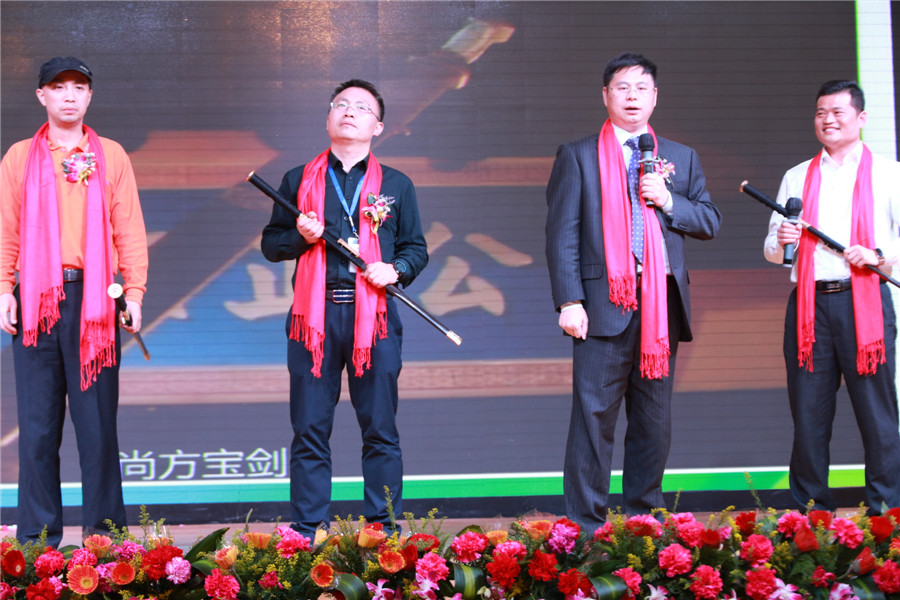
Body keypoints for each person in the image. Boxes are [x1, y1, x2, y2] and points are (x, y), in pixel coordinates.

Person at [545, 52, 721, 530]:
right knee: (592, 420)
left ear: (655, 97)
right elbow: (562, 234)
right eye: (622, 88)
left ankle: (645, 522)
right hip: (602, 305)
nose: (632, 97)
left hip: (661, 306)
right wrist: (569, 300)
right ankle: (586, 528)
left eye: (641, 88)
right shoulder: (578, 155)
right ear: (605, 95)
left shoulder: (680, 157)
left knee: (653, 420)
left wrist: (669, 200)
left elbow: (709, 220)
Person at [261, 79, 428, 539]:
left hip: (374, 317)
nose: (349, 112)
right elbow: (272, 245)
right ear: (328, 117)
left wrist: (395, 270)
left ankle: (383, 530)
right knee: (309, 429)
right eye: (341, 104)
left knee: (380, 429)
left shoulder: (396, 184)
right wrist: (301, 238)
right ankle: (307, 530)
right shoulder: (298, 178)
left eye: (361, 107)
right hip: (314, 319)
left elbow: (415, 249)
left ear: (379, 127)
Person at [0, 56, 148, 547]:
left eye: (78, 87)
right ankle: (36, 544)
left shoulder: (112, 155)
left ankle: (105, 539)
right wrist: (3, 289)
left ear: (89, 96)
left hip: (95, 301)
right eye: (58, 86)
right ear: (41, 96)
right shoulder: (20, 156)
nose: (69, 95)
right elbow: (6, 228)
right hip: (37, 298)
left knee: (97, 429)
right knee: (38, 430)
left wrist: (135, 292)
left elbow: (129, 229)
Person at [764, 80, 900, 514]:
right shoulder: (797, 175)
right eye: (821, 112)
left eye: (838, 112)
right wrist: (781, 240)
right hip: (810, 307)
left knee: (877, 416)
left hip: (865, 302)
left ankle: (886, 514)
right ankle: (811, 518)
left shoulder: (889, 173)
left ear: (861, 118)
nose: (828, 120)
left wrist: (878, 255)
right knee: (808, 417)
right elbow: (772, 250)